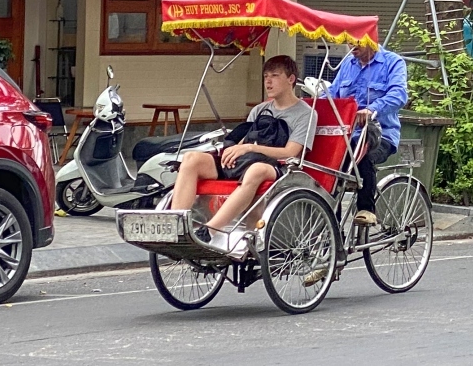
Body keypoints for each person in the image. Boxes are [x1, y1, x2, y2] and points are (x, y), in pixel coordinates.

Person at [170, 56, 316, 243]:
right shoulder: (259, 110)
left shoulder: (305, 113)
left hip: (277, 167)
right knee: (191, 158)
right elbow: (244, 140)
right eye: (265, 76)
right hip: (245, 161)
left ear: (291, 79)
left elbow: (290, 152)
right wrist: (234, 151)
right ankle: (174, 225)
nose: (268, 81)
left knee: (256, 170)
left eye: (275, 76)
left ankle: (211, 230)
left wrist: (248, 148)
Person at [326, 43, 408, 226]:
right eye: (348, 40)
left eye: (357, 39)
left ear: (371, 38)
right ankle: (331, 225)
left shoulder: (392, 62)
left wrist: (372, 109)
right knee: (328, 163)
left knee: (361, 150)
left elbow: (399, 94)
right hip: (346, 136)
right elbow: (332, 93)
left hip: (380, 134)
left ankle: (367, 209)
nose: (352, 44)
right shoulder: (348, 64)